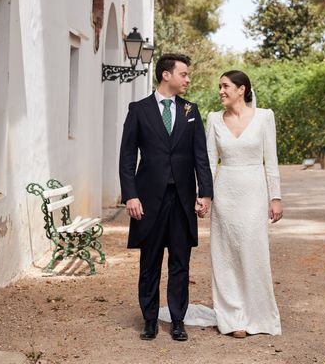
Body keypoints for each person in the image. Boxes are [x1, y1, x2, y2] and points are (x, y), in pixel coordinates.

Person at [119, 53, 213, 342]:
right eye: (183, 74)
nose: (188, 79)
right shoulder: (138, 109)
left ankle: (177, 320)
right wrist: (130, 196)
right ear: (166, 75)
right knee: (149, 263)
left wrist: (205, 193)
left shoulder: (191, 110)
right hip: (148, 201)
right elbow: (126, 157)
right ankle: (149, 319)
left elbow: (201, 157)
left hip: (182, 201)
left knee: (180, 264)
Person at [203, 69, 283, 337]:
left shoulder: (264, 117)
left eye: (226, 86)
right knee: (225, 255)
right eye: (220, 87)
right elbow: (208, 162)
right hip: (224, 193)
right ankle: (233, 317)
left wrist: (276, 197)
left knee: (253, 253)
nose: (221, 91)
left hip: (254, 192)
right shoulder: (214, 119)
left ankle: (258, 316)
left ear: (242, 89)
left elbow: (270, 161)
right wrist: (203, 196)